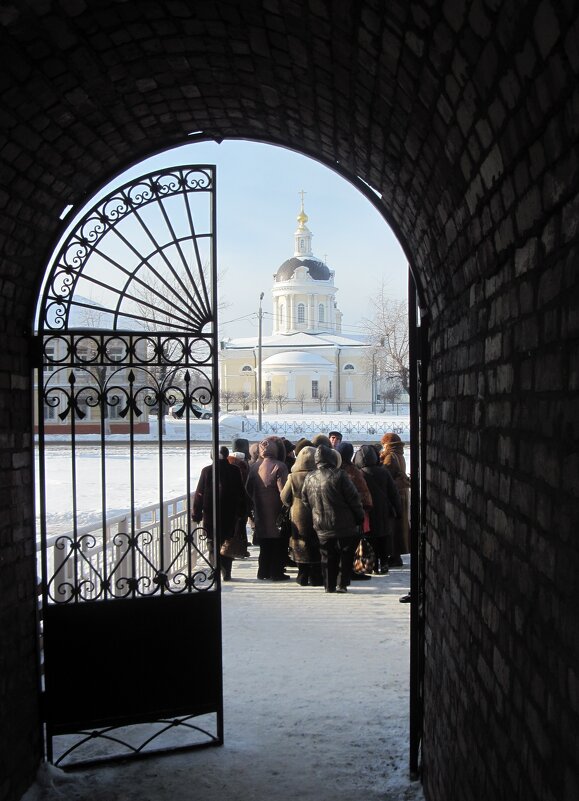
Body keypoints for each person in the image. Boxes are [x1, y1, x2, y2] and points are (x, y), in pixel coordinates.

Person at [301, 444, 364, 593]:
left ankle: (329, 585)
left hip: (321, 524)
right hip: (344, 524)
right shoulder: (340, 475)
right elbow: (354, 499)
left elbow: (305, 499)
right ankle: (342, 584)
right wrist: (359, 516)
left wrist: (316, 512)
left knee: (327, 555)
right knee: (345, 554)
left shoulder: (310, 477)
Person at [192, 445, 248, 582]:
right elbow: (241, 492)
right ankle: (226, 572)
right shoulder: (234, 470)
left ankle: (215, 570)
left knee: (212, 543)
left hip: (211, 514)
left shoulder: (207, 471)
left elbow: (199, 494)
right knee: (227, 542)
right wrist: (242, 511)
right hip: (230, 513)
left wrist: (197, 513)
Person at [245, 438, 290, 581]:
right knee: (277, 542)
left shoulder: (254, 467)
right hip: (276, 510)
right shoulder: (280, 466)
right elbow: (283, 492)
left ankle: (262, 571)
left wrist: (255, 501)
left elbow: (248, 488)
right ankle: (276, 572)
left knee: (264, 544)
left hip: (260, 510)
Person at [353, 444, 401, 575]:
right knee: (383, 537)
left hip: (367, 512)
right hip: (384, 510)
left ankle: (373, 565)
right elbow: (393, 493)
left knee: (370, 539)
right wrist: (398, 510)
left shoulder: (359, 473)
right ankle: (384, 563)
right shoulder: (383, 472)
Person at [280, 445, 323, 587]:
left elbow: (285, 498)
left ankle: (302, 575)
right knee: (316, 542)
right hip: (317, 512)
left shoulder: (293, 477)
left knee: (300, 543)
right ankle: (316, 576)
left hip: (298, 514)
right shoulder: (319, 475)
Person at [335, 441, 373, 583]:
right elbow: (364, 494)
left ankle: (340, 571)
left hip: (335, 512)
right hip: (352, 513)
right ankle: (350, 571)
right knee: (351, 544)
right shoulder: (354, 471)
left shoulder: (334, 469)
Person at [379, 433, 411, 567]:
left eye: (383, 444)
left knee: (393, 526)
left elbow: (386, 474)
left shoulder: (390, 457)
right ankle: (396, 555)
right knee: (400, 525)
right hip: (402, 494)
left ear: (387, 444)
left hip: (395, 495)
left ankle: (393, 555)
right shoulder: (400, 454)